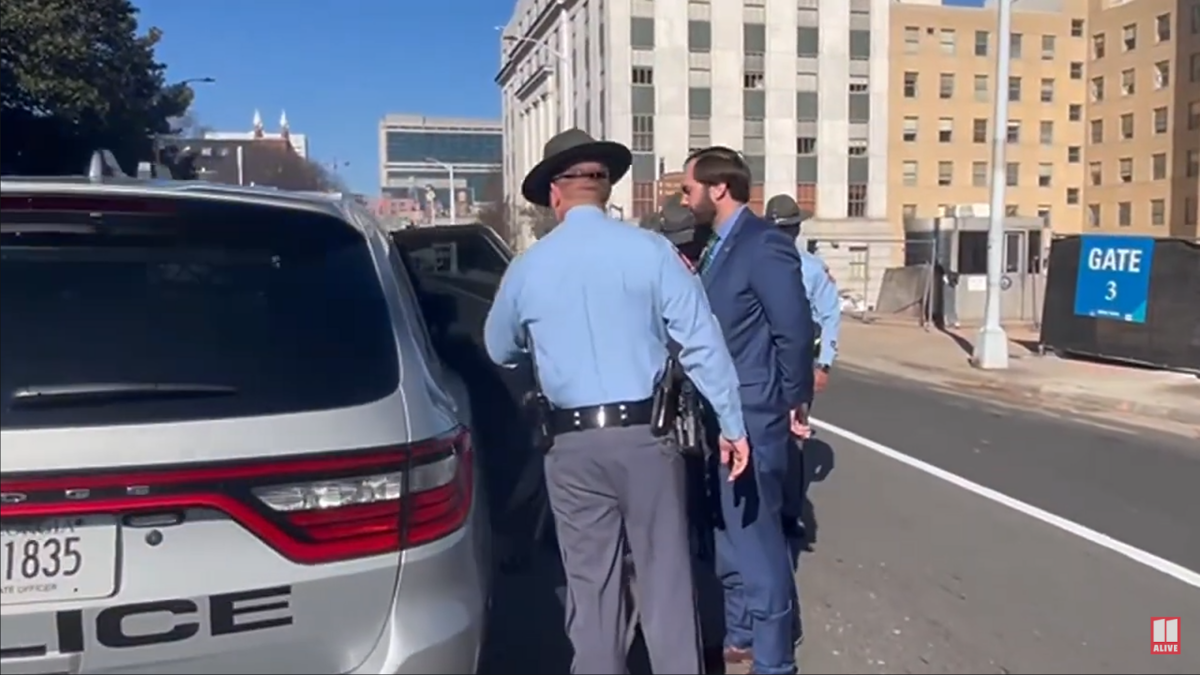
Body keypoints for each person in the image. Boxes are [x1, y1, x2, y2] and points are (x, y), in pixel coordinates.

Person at [483, 129, 751, 675]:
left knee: (593, 588)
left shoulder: (527, 269)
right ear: (604, 189)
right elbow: (702, 343)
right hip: (647, 438)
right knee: (666, 583)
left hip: (572, 444)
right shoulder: (651, 251)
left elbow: (498, 347)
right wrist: (731, 424)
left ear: (555, 195)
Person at [680, 146, 815, 675]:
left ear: (718, 188)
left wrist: (790, 400)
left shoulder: (763, 246)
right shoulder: (719, 246)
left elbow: (794, 330)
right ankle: (740, 633)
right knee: (727, 533)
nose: (684, 198)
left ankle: (774, 659)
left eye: (689, 188)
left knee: (757, 541)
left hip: (755, 412)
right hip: (720, 413)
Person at [763, 193, 842, 542]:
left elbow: (829, 316)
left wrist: (823, 363)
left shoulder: (808, 269)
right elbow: (830, 316)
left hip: (784, 362)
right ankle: (783, 509)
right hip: (777, 361)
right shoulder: (801, 266)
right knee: (787, 437)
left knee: (785, 436)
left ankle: (783, 509)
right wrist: (823, 364)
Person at [763, 194, 841, 393]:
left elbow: (829, 316)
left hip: (799, 359)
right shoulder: (754, 264)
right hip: (761, 359)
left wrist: (823, 364)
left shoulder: (813, 269)